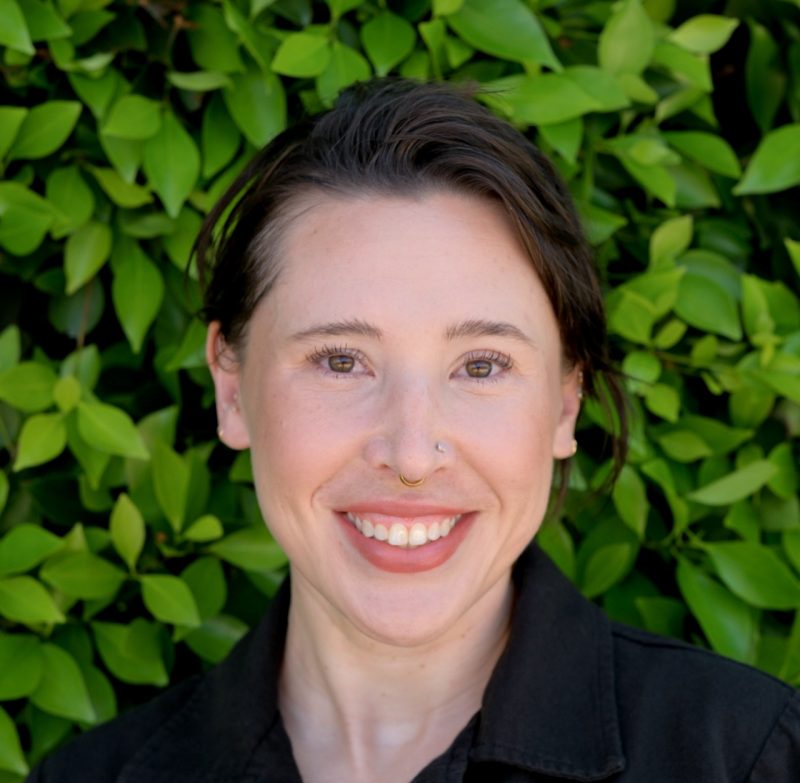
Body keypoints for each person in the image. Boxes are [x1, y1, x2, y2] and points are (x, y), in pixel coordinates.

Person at [28, 78, 799, 783]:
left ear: (566, 403)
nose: (409, 452)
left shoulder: (747, 757)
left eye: (483, 365)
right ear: (233, 387)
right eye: (340, 359)